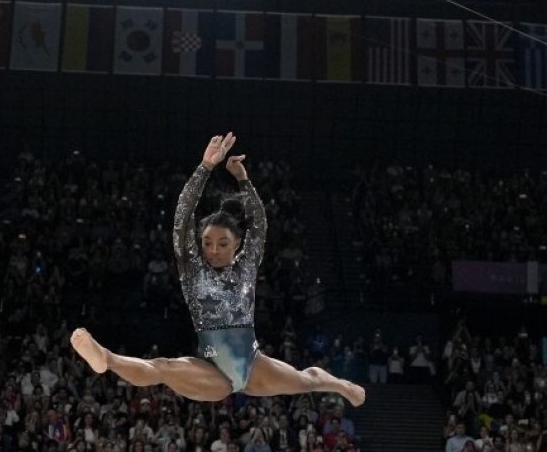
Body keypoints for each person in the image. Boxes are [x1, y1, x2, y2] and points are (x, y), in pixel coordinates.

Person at [71, 134, 365, 407]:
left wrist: (243, 181)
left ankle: (340, 384)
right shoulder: (193, 270)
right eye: (207, 243)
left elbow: (259, 224)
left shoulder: (247, 264)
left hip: (253, 364)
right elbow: (182, 220)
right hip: (211, 369)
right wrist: (205, 167)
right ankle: (105, 358)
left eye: (222, 243)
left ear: (237, 244)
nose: (213, 250)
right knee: (163, 367)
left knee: (307, 381)